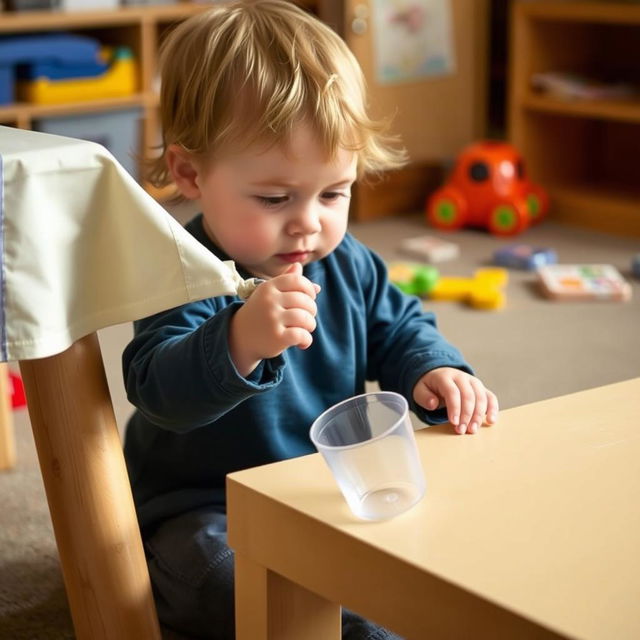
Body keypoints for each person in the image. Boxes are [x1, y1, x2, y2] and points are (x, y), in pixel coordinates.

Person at [122, 1, 499, 638]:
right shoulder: (181, 274)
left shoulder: (347, 263)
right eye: (274, 198)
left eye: (334, 192)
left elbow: (400, 326)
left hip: (324, 492)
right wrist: (237, 341)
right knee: (227, 582)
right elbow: (156, 391)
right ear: (191, 172)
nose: (308, 222)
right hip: (204, 508)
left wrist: (431, 369)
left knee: (448, 544)